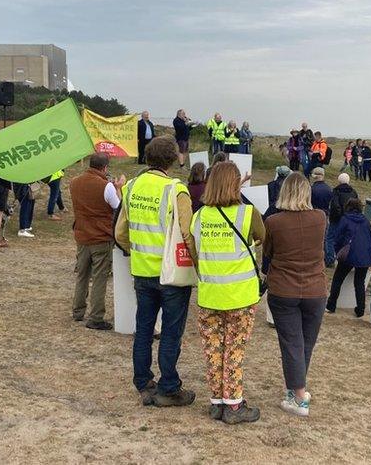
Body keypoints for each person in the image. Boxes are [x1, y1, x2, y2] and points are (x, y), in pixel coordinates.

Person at [115, 136, 196, 407]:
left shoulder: (131, 187)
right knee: (171, 333)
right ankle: (169, 387)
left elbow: (120, 232)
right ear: (173, 159)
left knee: (144, 329)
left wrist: (134, 250)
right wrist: (197, 264)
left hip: (141, 271)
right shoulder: (176, 190)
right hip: (172, 274)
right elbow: (187, 233)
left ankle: (142, 382)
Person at [192, 161, 265, 424]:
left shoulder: (199, 216)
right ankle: (233, 406)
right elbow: (261, 236)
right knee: (234, 350)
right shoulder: (247, 214)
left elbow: (196, 250)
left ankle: (216, 402)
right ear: (236, 184)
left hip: (210, 294)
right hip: (240, 296)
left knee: (213, 350)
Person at [263, 173, 328, 418]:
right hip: (315, 290)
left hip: (283, 288)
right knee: (305, 344)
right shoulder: (321, 218)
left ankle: (298, 396)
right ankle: (296, 390)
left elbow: (268, 252)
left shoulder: (274, 222)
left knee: (292, 344)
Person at [70, 154, 125, 331]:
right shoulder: (106, 186)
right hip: (101, 237)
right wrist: (119, 189)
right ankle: (96, 316)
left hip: (82, 235)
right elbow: (119, 208)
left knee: (82, 274)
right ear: (105, 168)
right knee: (100, 277)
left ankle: (78, 311)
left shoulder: (74, 182)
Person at [326, 198, 371, 317]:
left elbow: (337, 237)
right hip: (364, 255)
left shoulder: (345, 219)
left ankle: (331, 305)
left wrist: (338, 252)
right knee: (359, 283)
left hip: (348, 253)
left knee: (338, 279)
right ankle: (360, 309)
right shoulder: (365, 221)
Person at [327, 173, 358, 268]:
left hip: (337, 218)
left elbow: (335, 206)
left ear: (339, 181)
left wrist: (338, 216)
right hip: (349, 218)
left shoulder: (336, 191)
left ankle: (330, 259)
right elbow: (356, 205)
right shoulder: (353, 192)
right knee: (346, 239)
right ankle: (344, 259)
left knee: (330, 238)